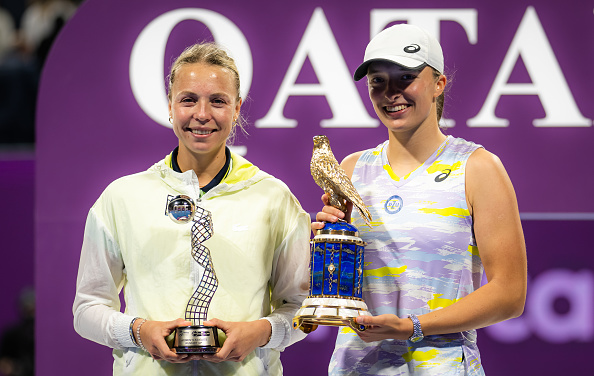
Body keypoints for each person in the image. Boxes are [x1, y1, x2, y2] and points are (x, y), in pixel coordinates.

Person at [73, 42, 311, 375]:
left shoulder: (273, 198)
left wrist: (259, 333)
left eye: (218, 101)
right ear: (170, 105)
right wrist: (139, 331)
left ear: (237, 108)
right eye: (188, 99)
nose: (202, 114)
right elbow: (87, 309)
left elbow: (302, 310)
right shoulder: (122, 197)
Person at [312, 24, 527, 375]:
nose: (390, 92)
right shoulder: (352, 169)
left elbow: (510, 293)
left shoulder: (477, 167)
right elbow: (336, 289)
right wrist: (326, 247)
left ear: (439, 83)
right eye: (378, 81)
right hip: (356, 366)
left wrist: (413, 326)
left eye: (406, 77)